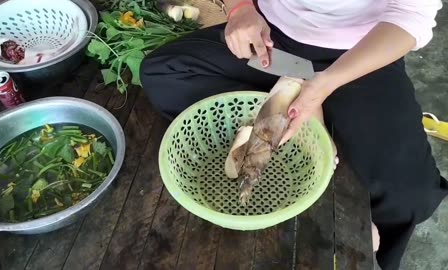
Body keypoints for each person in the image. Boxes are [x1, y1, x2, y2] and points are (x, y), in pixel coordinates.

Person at [139, 0, 448, 268]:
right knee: (164, 72)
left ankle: (308, 116)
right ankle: (294, 104)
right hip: (273, 39)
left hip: (359, 54)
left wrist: (326, 83)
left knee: (409, 194)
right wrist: (241, 9)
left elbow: (411, 14)